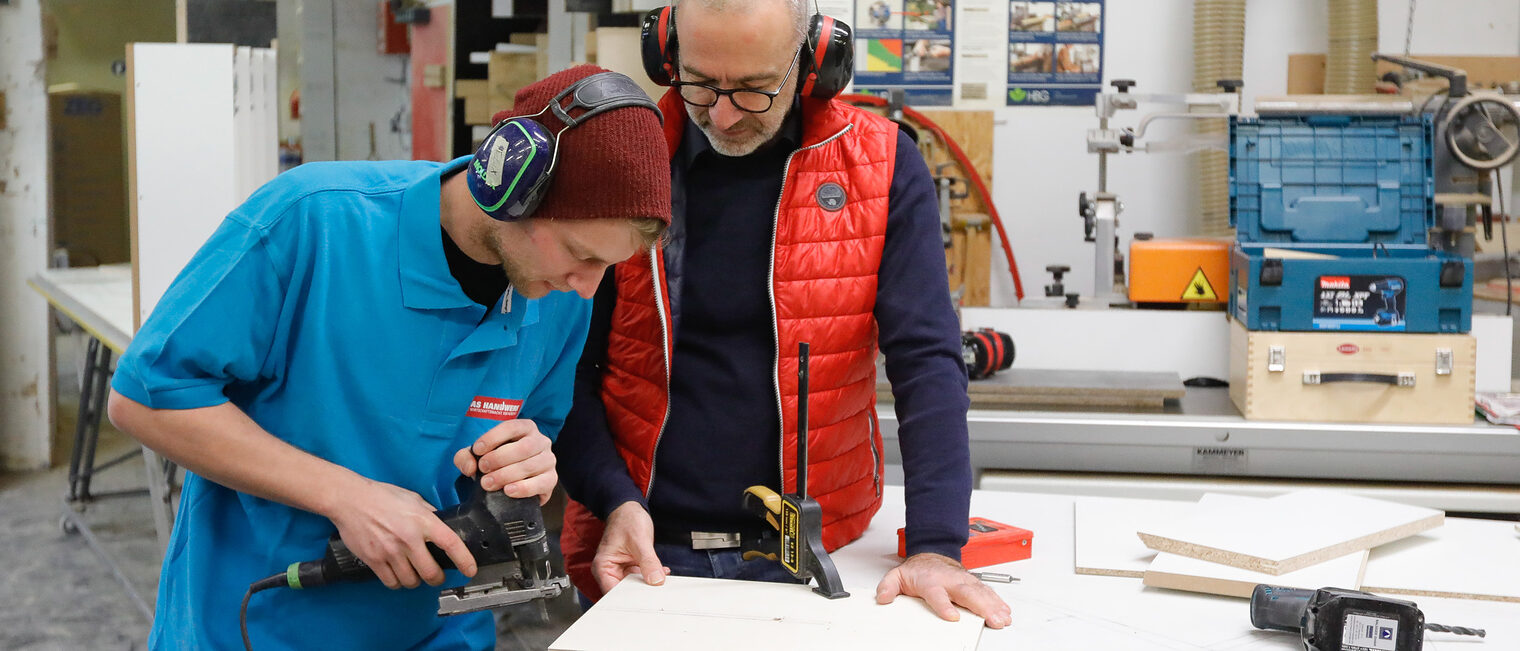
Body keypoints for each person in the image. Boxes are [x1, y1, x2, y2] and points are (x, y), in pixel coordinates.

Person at [105, 66, 670, 649]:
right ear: (509, 182)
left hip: (441, 630)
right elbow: (146, 396)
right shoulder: (313, 222)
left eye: (608, 265)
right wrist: (345, 496)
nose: (587, 286)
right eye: (581, 254)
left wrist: (528, 463)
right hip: (258, 623)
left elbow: (537, 426)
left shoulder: (557, 294)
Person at [553, 0, 1012, 629]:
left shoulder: (880, 166)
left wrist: (936, 544)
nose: (721, 113)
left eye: (752, 90)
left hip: (821, 554)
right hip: (636, 544)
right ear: (667, 53)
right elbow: (563, 366)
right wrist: (612, 499)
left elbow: (925, 358)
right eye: (700, 82)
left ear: (813, 61)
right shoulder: (623, 165)